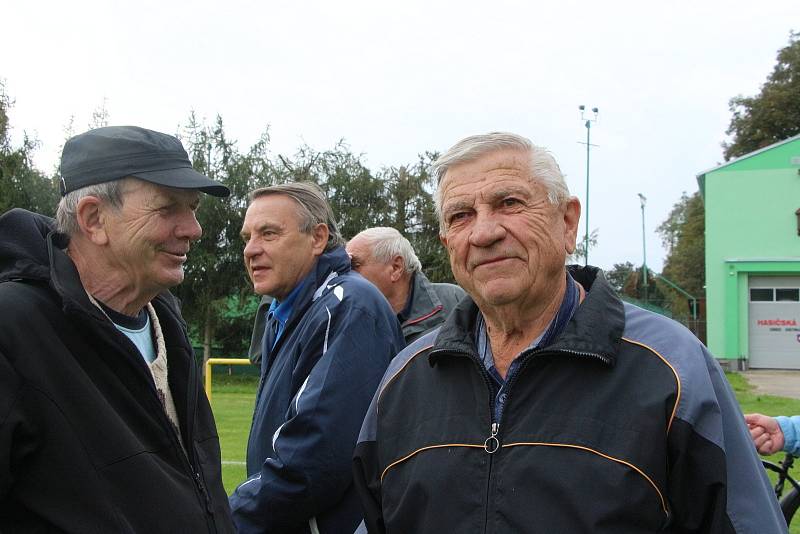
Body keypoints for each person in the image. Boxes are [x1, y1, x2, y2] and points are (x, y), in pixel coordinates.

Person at [353, 132, 786, 533]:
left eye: (509, 203)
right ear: (449, 244)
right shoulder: (404, 379)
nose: (484, 232)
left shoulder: (672, 367)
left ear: (567, 222)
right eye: (461, 216)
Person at [0, 126, 234, 533]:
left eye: (193, 208)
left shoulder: (167, 323)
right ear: (93, 219)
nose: (193, 229)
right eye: (167, 209)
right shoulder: (13, 328)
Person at [229, 182, 405, 534]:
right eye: (247, 237)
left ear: (318, 238)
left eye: (269, 233)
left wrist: (225, 517)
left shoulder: (348, 306)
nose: (251, 249)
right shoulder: (285, 309)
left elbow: (311, 461)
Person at [346, 226, 465, 344]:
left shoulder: (456, 302)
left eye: (354, 266)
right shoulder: (350, 319)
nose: (345, 275)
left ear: (395, 268)